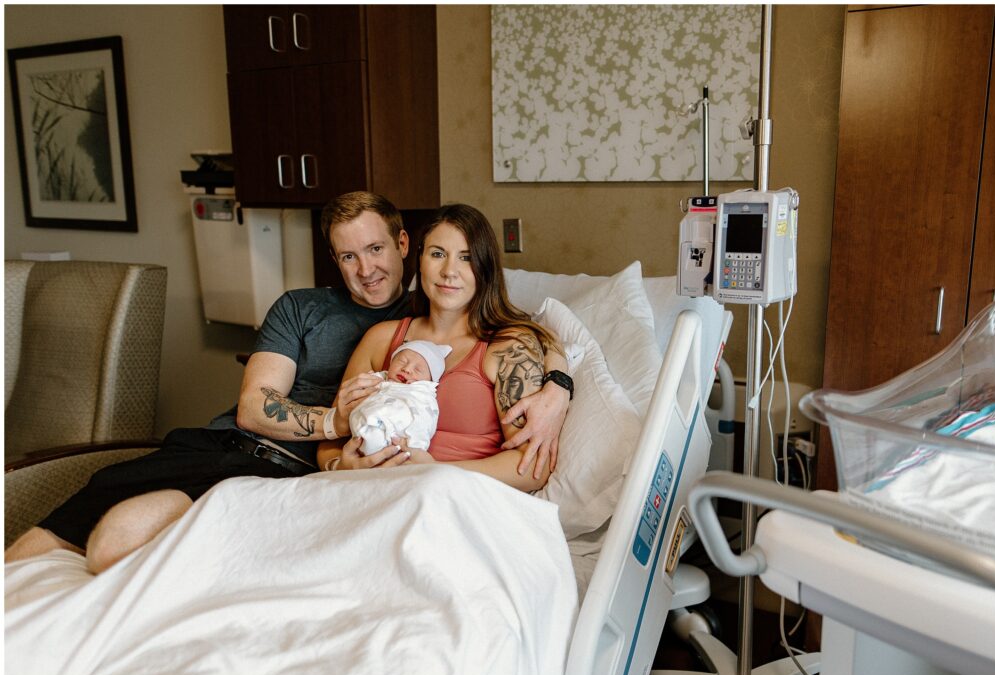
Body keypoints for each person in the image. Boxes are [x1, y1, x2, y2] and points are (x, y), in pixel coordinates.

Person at [6, 191, 571, 572]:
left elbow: (535, 333)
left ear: (402, 248)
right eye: (348, 256)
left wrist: (561, 381)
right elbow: (259, 409)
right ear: (421, 256)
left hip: (292, 472)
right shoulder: (333, 320)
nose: (366, 268)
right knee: (86, 506)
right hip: (239, 449)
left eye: (376, 249)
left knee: (113, 544)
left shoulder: (487, 337)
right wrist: (337, 442)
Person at [318, 203, 564, 493]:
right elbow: (331, 441)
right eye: (437, 254)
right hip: (373, 494)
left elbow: (532, 468)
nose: (449, 271)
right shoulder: (381, 339)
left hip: (456, 501)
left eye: (466, 258)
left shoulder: (507, 347)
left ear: (484, 267)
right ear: (419, 257)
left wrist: (433, 472)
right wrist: (342, 467)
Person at [348, 340, 451, 455]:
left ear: (429, 380)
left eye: (418, 369)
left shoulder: (422, 395)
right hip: (358, 427)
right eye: (402, 361)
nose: (406, 369)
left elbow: (424, 421)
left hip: (390, 434)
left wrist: (416, 447)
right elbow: (351, 396)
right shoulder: (379, 379)